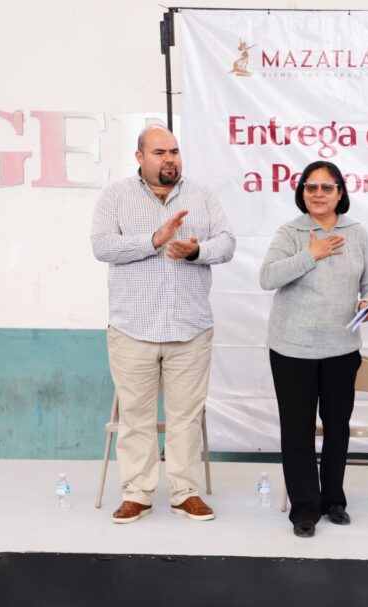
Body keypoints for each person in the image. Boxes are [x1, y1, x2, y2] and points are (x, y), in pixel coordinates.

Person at [91, 124, 236, 524]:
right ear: (140, 157)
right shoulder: (115, 196)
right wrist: (153, 240)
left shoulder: (201, 195)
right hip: (133, 328)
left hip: (190, 327)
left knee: (185, 417)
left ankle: (185, 492)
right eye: (160, 153)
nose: (169, 159)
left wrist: (196, 251)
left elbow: (226, 243)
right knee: (135, 417)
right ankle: (137, 493)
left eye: (174, 151)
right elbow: (102, 246)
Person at [260, 161, 368, 538]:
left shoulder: (357, 234)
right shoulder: (291, 232)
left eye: (326, 187)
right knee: (297, 430)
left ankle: (333, 501)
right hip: (292, 349)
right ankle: (304, 508)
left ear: (340, 193)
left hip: (341, 348)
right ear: (302, 192)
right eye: (310, 187)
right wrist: (311, 253)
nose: (318, 194)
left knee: (337, 427)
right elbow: (268, 277)